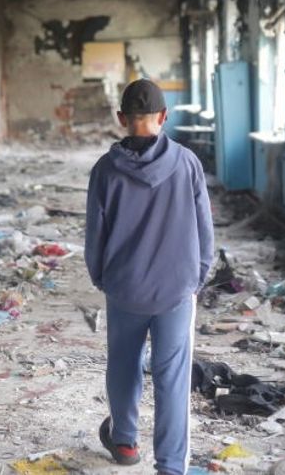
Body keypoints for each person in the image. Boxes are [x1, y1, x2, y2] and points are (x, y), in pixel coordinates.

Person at [85, 78, 214, 475]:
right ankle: (171, 466)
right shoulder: (188, 163)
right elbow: (204, 228)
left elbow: (95, 236)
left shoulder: (105, 170)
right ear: (164, 117)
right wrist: (199, 276)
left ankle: (124, 442)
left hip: (125, 287)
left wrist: (102, 278)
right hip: (176, 290)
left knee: (123, 364)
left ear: (121, 118)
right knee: (171, 377)